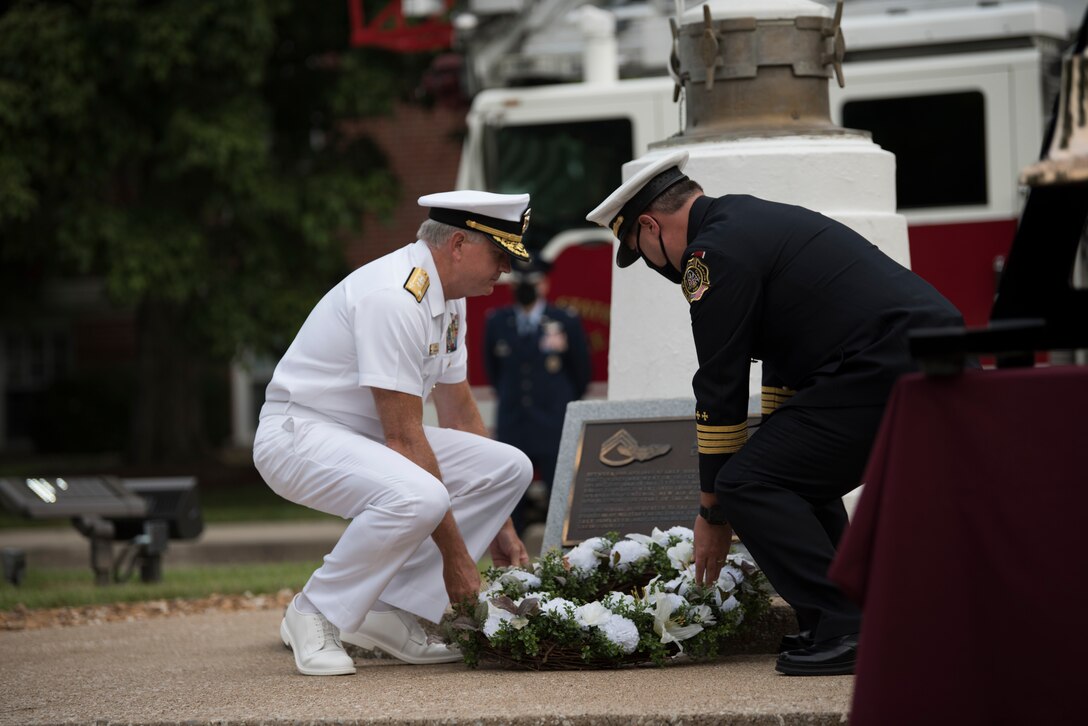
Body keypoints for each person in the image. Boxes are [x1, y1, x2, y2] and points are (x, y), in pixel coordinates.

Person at [585, 150, 965, 677]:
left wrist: (714, 510)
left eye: (640, 252)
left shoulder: (710, 254)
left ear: (650, 225)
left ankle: (846, 624)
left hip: (889, 361)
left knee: (747, 483)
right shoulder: (744, 219)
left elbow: (720, 387)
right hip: (912, 353)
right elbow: (786, 357)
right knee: (787, 475)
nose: (653, 266)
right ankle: (845, 616)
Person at [253, 190, 535, 676]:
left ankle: (389, 611)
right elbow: (404, 441)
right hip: (298, 434)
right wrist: (457, 559)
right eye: (500, 255)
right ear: (459, 244)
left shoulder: (448, 297)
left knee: (509, 467)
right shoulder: (395, 297)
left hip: (363, 436)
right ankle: (314, 611)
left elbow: (459, 410)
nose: (506, 270)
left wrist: (500, 524)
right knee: (421, 495)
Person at [483, 258, 592, 532]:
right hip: (514, 422)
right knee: (512, 493)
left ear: (544, 284)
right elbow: (493, 372)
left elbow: (580, 372)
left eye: (530, 283)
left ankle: (564, 553)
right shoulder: (498, 322)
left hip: (552, 422)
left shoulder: (564, 320)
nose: (524, 288)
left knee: (560, 490)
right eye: (519, 283)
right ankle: (511, 556)